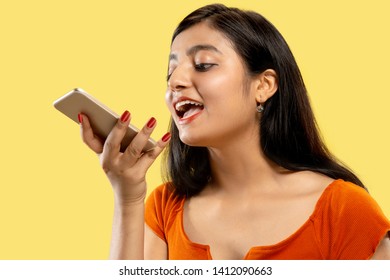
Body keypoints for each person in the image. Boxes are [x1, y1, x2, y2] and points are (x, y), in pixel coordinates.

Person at [77, 4, 390, 259]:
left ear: (264, 85)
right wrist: (128, 196)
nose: (176, 82)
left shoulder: (344, 209)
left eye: (203, 64)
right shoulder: (165, 207)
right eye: (171, 73)